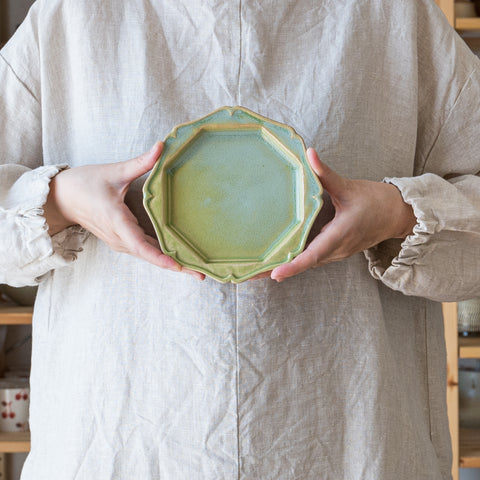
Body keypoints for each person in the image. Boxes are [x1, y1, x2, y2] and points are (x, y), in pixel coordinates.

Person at [1, 0, 479, 478]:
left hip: (349, 436)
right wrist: (60, 199)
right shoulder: (72, 18)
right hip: (122, 441)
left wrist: (397, 213)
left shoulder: (394, 16)